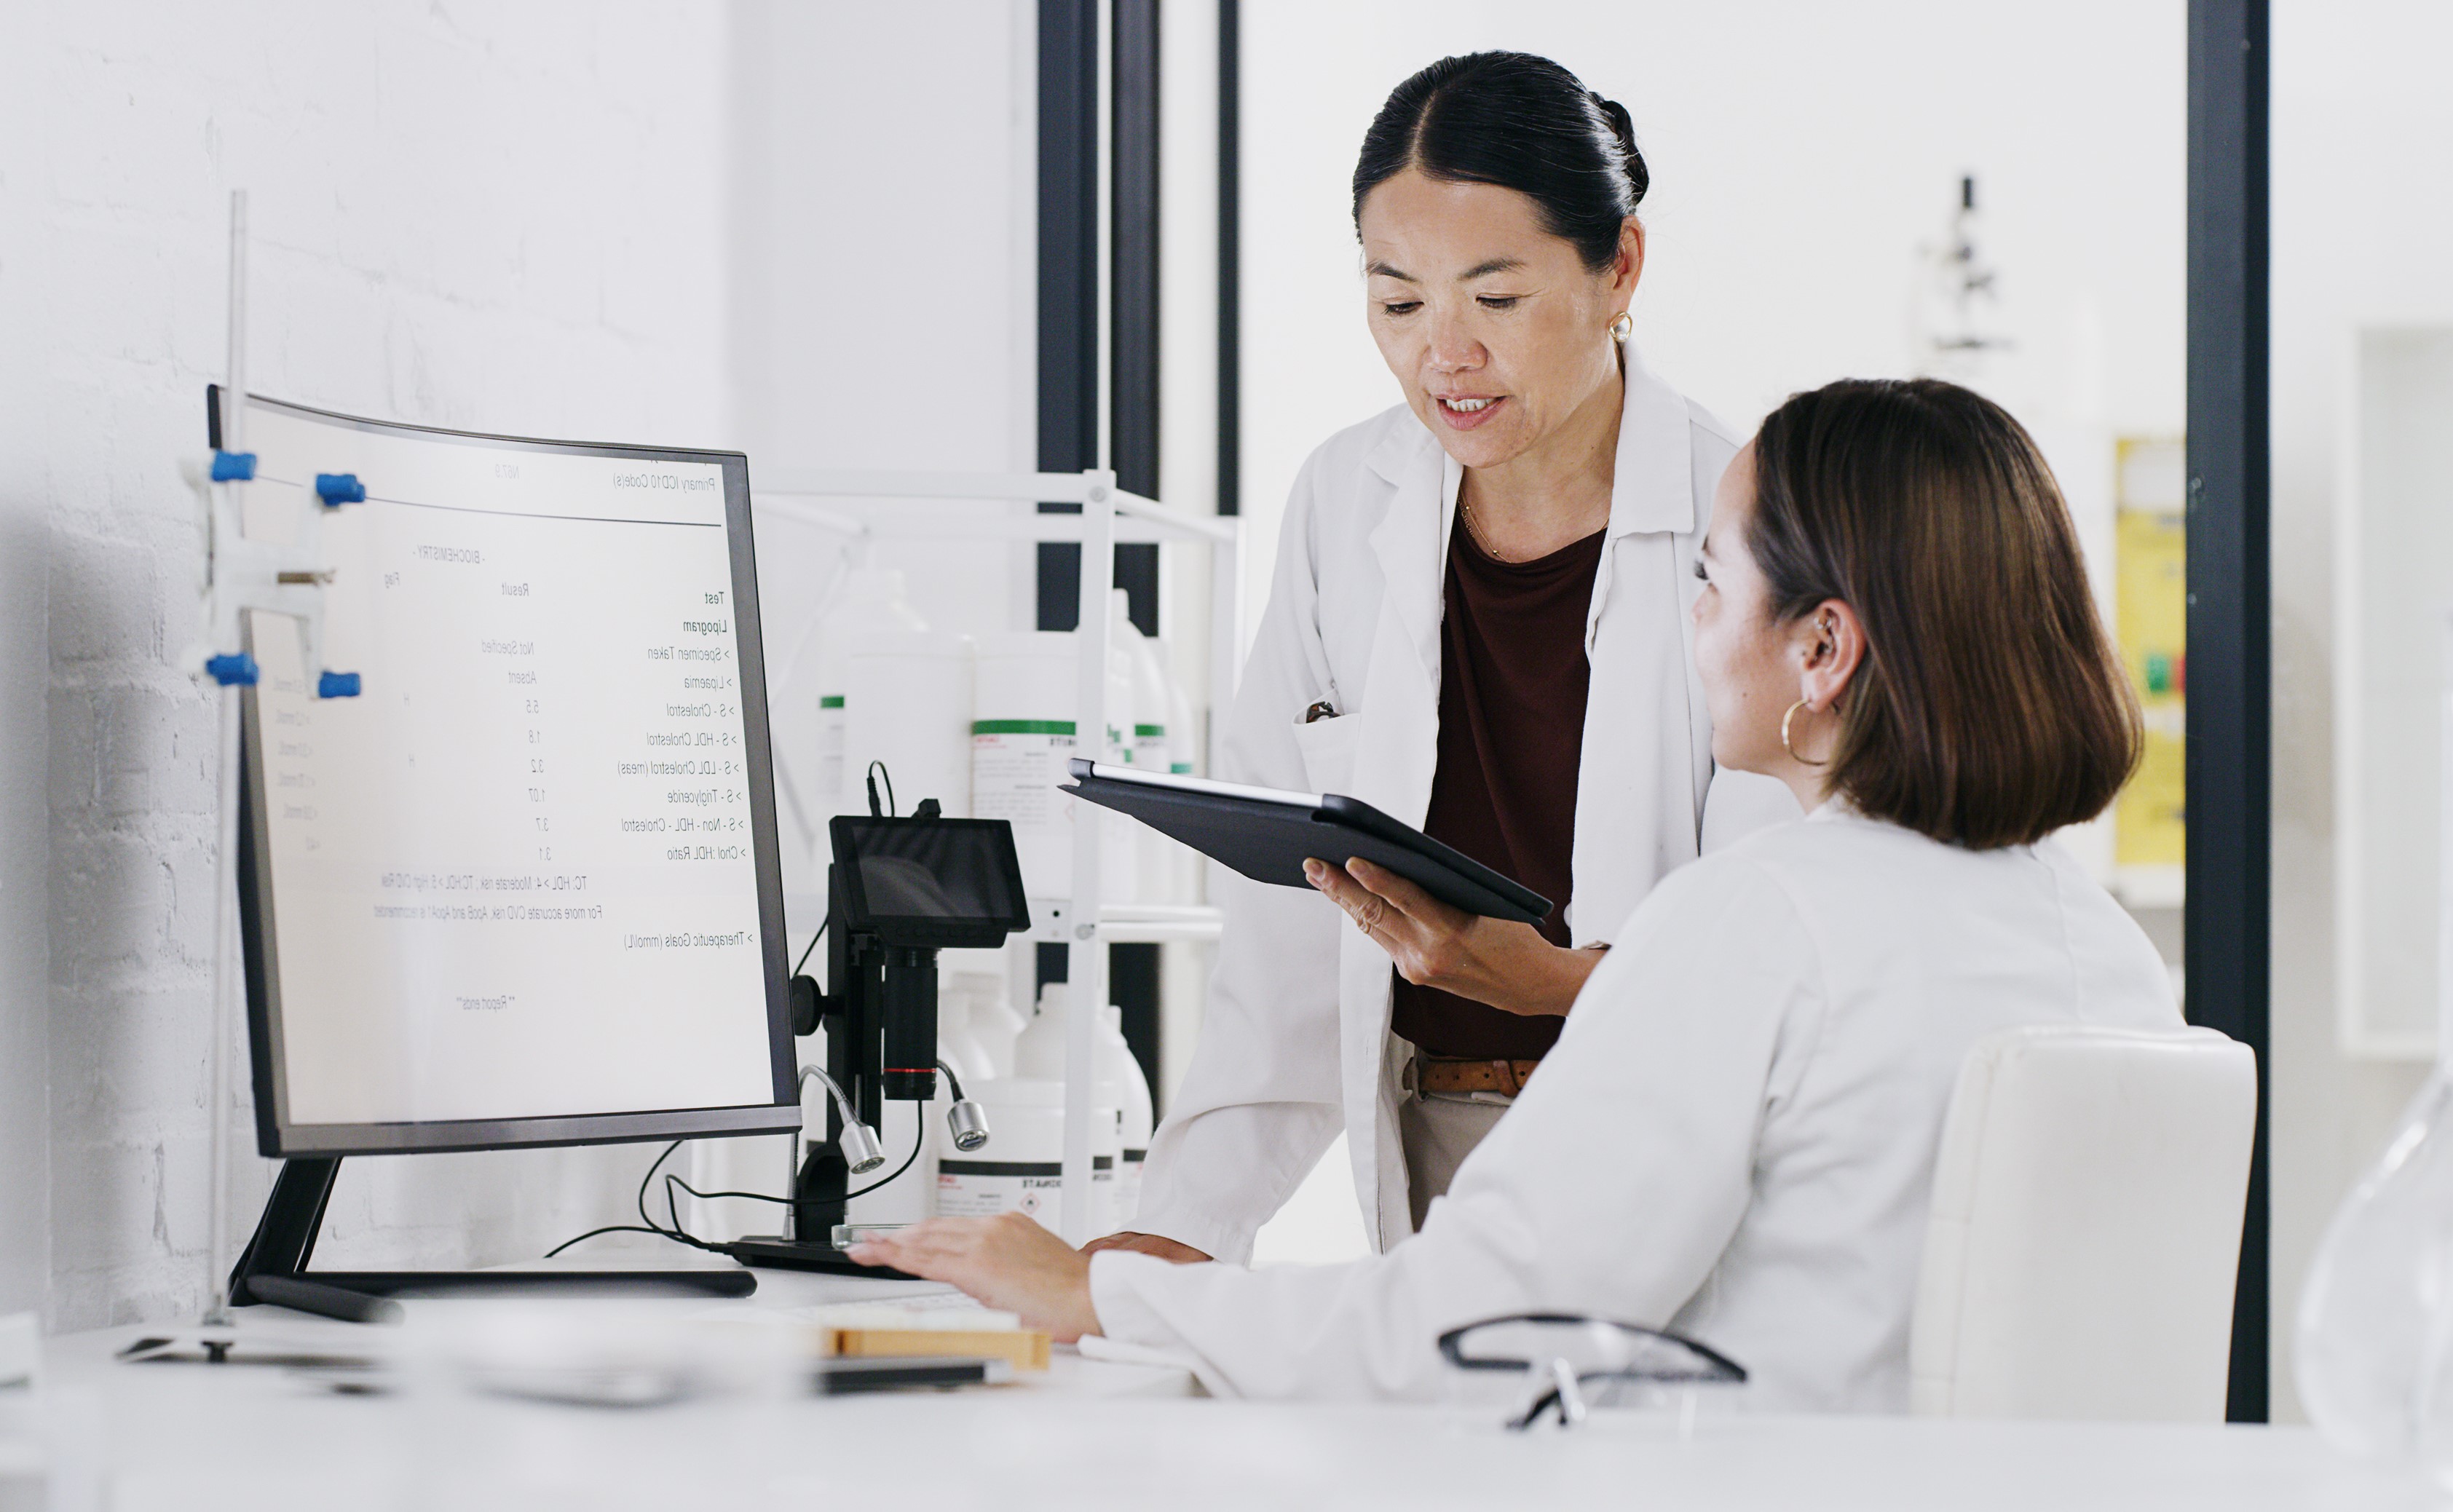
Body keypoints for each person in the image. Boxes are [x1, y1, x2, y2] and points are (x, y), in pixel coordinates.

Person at [850, 376, 2183, 1412]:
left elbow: (1465, 1327)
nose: (1692, 624)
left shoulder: (1761, 922)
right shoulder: (2113, 962)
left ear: (1821, 649)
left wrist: (1101, 1287)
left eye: (1709, 582)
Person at [1092, 51, 1798, 1268]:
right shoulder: (1341, 501)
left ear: (1618, 267)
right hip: (1437, 1144)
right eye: (1399, 302)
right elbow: (1287, 931)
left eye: (1497, 298)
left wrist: (1553, 983)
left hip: (1690, 1163)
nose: (1444, 355)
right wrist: (1180, 1243)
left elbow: (1764, 948)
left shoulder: (1748, 516)